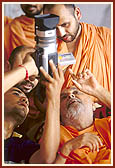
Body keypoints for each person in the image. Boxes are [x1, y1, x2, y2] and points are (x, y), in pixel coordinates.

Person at [4, 59, 64, 164]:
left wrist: (54, 97)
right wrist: (28, 68)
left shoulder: (19, 146)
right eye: (16, 93)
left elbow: (46, 158)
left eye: (26, 100)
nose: (24, 100)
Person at [43, 4, 111, 92]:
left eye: (65, 24)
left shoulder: (106, 37)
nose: (61, 33)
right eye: (54, 28)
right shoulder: (46, 46)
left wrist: (99, 92)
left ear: (77, 14)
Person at [55, 69, 111, 164]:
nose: (71, 96)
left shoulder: (107, 125)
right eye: (63, 97)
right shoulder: (55, 133)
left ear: (94, 105)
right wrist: (68, 147)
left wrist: (97, 90)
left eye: (76, 92)